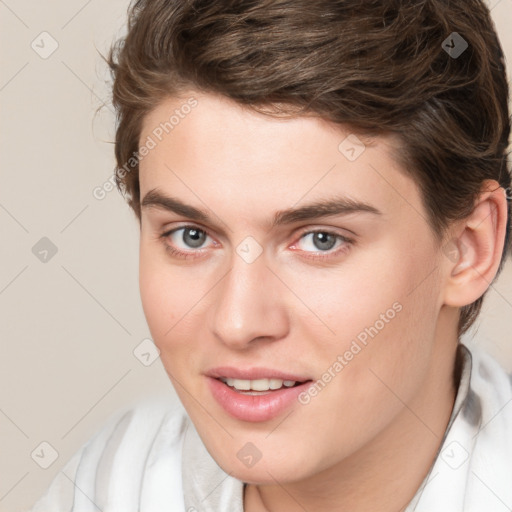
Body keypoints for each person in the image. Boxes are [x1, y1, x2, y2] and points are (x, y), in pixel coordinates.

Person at [30, 0, 512, 511]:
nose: (237, 323)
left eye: (320, 239)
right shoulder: (111, 484)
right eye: (191, 235)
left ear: (468, 248)